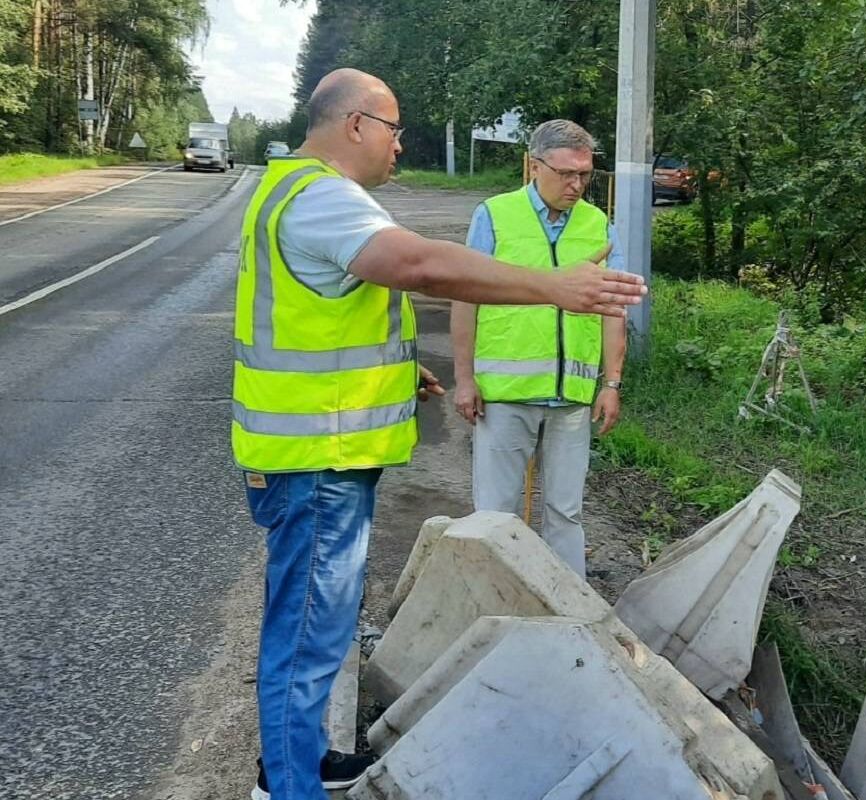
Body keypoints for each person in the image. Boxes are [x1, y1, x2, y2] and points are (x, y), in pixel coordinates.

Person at [233, 71, 645, 800]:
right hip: (317, 458)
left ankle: (299, 763)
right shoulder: (321, 196)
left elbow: (327, 318)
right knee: (305, 635)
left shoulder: (290, 187)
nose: (401, 146)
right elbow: (419, 264)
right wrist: (553, 286)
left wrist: (401, 376)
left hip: (318, 449)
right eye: (395, 131)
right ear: (356, 124)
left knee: (316, 629)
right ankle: (288, 786)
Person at [450, 120, 627, 577]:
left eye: (585, 175)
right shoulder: (495, 215)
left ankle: (570, 617)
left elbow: (613, 309)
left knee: (566, 513)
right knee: (495, 514)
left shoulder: (598, 224)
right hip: (504, 396)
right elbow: (465, 296)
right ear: (534, 166)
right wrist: (464, 379)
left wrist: (611, 382)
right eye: (566, 173)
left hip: (572, 398)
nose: (577, 185)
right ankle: (491, 607)